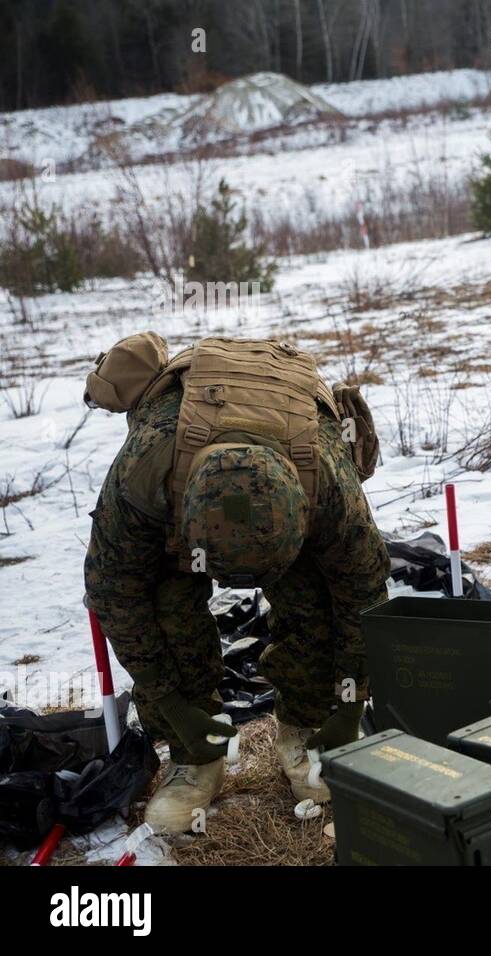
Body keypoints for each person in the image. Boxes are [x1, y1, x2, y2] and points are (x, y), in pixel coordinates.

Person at [83, 335, 387, 834]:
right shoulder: (143, 475)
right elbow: (116, 596)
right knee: (164, 604)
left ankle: (308, 727)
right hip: (180, 474)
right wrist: (174, 707)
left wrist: (350, 705)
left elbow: (364, 598)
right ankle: (194, 756)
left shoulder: (331, 486)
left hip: (294, 454)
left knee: (318, 603)